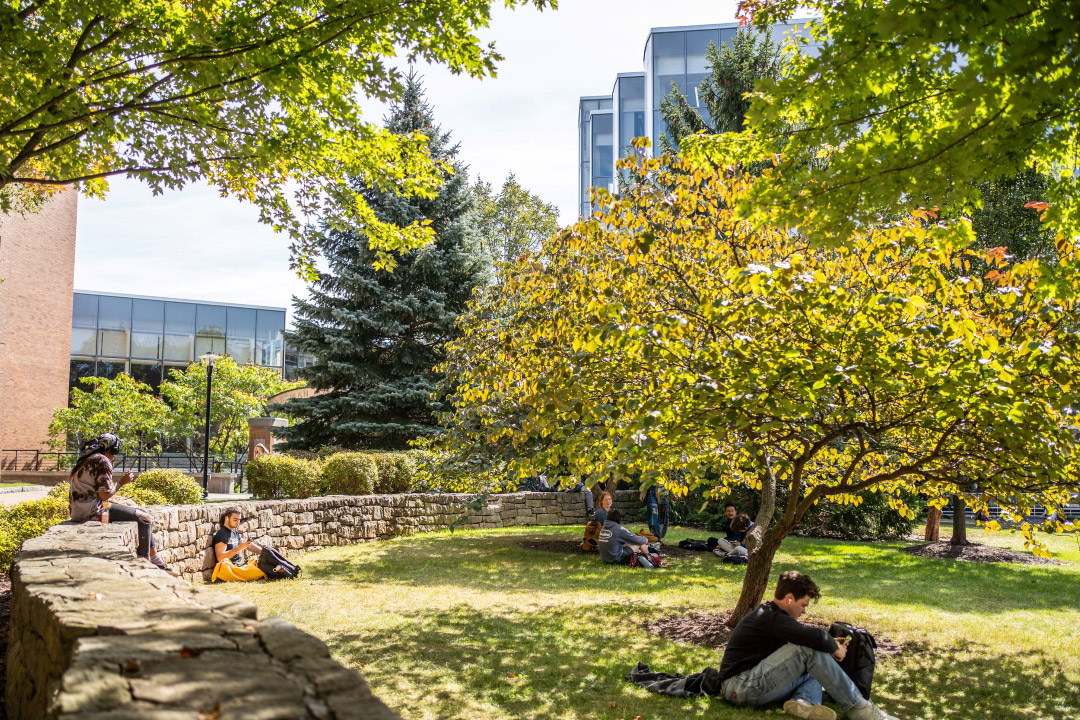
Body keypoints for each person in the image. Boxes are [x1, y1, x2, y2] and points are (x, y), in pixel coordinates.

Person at [719, 570, 901, 720]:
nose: (804, 610)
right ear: (789, 599)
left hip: (750, 684)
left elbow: (806, 640)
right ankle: (861, 709)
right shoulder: (772, 617)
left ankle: (803, 703)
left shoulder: (774, 617)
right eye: (803, 604)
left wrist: (826, 649)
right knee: (807, 648)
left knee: (817, 664)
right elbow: (812, 636)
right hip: (739, 687)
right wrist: (834, 647)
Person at [68, 433, 168, 571]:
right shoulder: (102, 461)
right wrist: (122, 482)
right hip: (92, 511)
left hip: (79, 510)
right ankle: (148, 565)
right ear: (112, 449)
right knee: (144, 518)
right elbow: (104, 495)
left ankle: (156, 561)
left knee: (136, 510)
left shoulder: (89, 459)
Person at [211, 506, 268, 582]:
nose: (238, 523)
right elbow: (220, 558)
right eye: (235, 520)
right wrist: (239, 548)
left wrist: (264, 553)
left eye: (239, 520)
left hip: (241, 563)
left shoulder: (233, 531)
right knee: (262, 571)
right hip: (233, 567)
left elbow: (247, 545)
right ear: (226, 518)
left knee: (263, 565)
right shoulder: (222, 535)